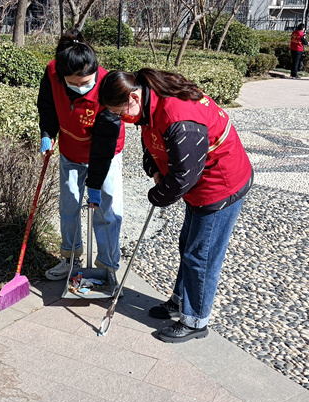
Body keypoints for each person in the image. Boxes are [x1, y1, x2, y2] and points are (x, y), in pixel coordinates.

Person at [96, 68, 253, 343]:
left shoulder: (178, 118)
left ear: (133, 97)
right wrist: (154, 169)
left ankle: (195, 320)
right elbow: (151, 140)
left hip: (220, 183)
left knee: (201, 256)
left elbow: (184, 175)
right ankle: (180, 301)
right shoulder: (148, 100)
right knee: (187, 245)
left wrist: (158, 195)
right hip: (199, 184)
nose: (122, 119)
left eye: (120, 112)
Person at [38, 30, 126, 281]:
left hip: (106, 153)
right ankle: (70, 258)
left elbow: (104, 144)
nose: (81, 88)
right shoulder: (53, 72)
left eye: (86, 82)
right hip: (70, 151)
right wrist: (47, 133)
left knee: (108, 210)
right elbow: (47, 106)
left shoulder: (108, 86)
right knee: (69, 206)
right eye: (73, 83)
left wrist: (94, 185)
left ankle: (107, 266)